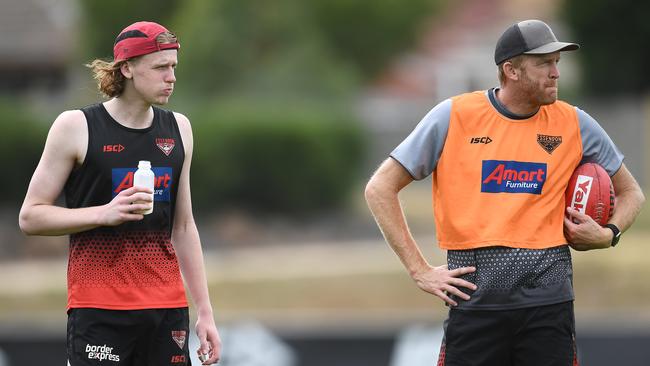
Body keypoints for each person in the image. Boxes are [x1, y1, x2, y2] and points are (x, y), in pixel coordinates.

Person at [365, 19, 645, 366]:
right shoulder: (454, 116)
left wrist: (608, 234)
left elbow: (632, 192)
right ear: (511, 70)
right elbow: (380, 188)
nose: (555, 72)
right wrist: (419, 270)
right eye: (544, 63)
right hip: (475, 308)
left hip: (548, 310)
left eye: (557, 62)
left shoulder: (575, 122)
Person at [19, 21, 221, 365]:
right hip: (99, 310)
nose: (171, 77)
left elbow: (184, 227)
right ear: (126, 68)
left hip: (166, 310)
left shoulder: (180, 129)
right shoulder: (76, 127)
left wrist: (205, 310)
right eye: (160, 67)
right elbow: (31, 216)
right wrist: (103, 213)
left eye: (173, 67)